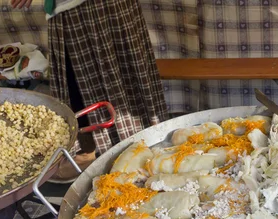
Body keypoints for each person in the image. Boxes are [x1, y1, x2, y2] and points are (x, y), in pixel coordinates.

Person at [11, 0, 169, 183]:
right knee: (77, 79)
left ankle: (128, 152)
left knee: (102, 77)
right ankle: (94, 149)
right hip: (76, 7)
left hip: (93, 9)